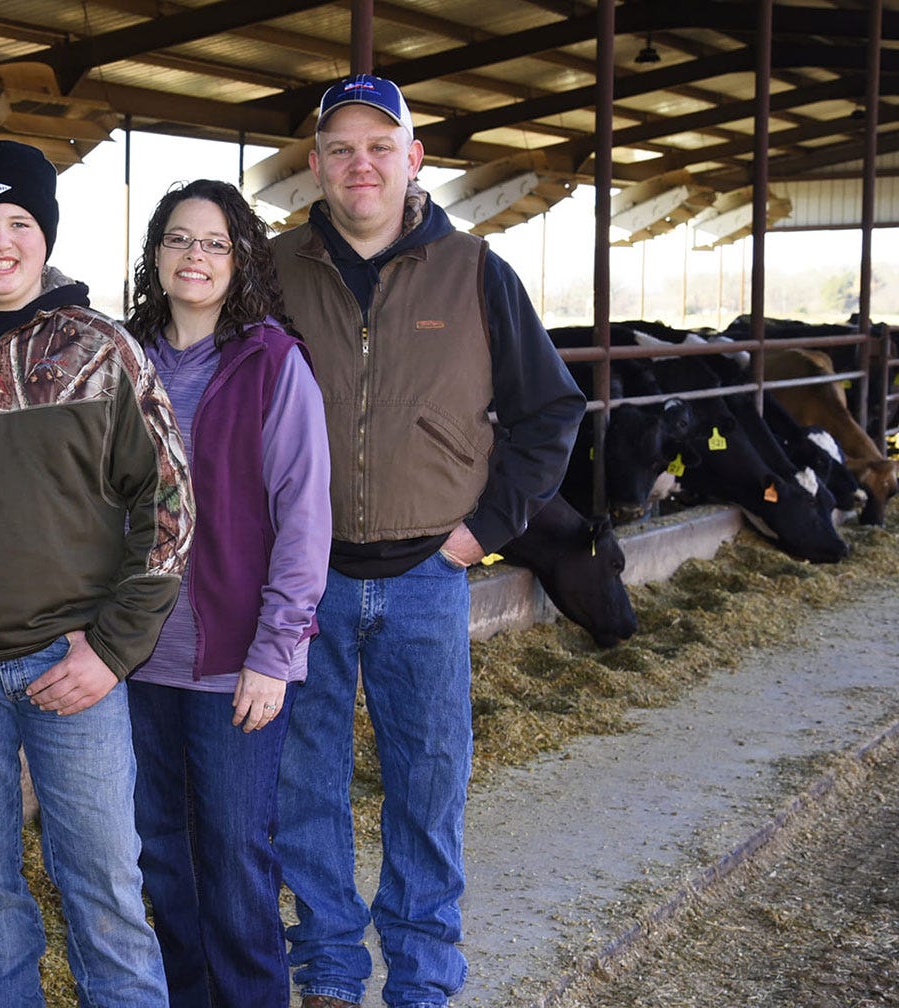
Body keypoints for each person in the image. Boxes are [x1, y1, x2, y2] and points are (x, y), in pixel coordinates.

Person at [270, 75, 584, 1008]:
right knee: (304, 786)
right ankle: (328, 967)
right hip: (305, 579)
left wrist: (481, 532)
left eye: (380, 145)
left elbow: (550, 412)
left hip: (426, 575)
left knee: (428, 783)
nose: (358, 163)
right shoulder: (277, 274)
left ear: (414, 159)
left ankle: (422, 978)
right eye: (338, 147)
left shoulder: (477, 270)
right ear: (316, 165)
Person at [0, 138, 196, 1008]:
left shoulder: (102, 349)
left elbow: (171, 506)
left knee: (104, 884)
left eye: (21, 222)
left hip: (69, 664)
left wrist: (112, 651)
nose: (1, 241)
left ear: (47, 235)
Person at [121, 179, 331, 1008]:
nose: (195, 256)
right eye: (180, 239)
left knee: (236, 856)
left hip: (234, 663)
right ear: (156, 255)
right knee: (163, 855)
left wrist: (275, 655)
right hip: (136, 660)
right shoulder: (122, 357)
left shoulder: (272, 363)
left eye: (214, 241)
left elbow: (304, 521)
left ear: (241, 258)